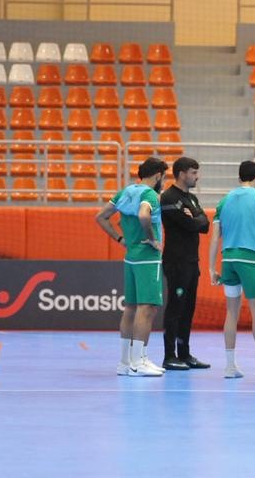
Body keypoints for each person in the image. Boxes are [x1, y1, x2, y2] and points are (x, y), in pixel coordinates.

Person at [95, 157, 167, 378]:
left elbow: (101, 217)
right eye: (163, 177)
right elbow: (144, 215)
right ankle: (138, 362)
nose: (163, 181)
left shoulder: (125, 192)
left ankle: (127, 361)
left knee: (131, 308)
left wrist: (119, 239)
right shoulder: (150, 195)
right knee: (147, 309)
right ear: (157, 176)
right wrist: (153, 239)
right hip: (147, 257)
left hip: (131, 256)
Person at [208, 160, 255, 379]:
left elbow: (215, 238)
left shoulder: (224, 200)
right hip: (252, 260)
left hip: (228, 260)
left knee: (231, 313)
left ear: (239, 178)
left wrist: (211, 267)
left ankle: (230, 367)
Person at [159, 157, 211, 370]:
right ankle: (169, 355)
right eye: (193, 173)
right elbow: (190, 224)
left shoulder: (191, 198)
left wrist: (195, 218)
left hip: (191, 261)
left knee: (188, 308)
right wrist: (195, 219)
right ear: (181, 174)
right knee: (175, 308)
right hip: (176, 261)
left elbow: (204, 224)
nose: (196, 177)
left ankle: (185, 353)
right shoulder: (169, 197)